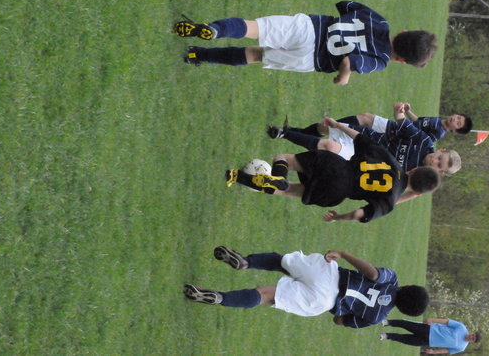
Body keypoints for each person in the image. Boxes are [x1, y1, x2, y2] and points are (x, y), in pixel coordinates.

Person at [226, 117, 441, 223]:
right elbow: (359, 214)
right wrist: (339, 217)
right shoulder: (390, 201)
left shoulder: (392, 161)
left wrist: (337, 125)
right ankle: (237, 177)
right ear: (416, 191)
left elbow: (361, 138)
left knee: (282, 159)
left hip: (335, 165)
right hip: (335, 193)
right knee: (288, 191)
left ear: (414, 170)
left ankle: (277, 177)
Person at [173, 1, 437, 85]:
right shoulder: (380, 61)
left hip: (310, 28)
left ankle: (215, 29)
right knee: (254, 54)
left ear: (404, 31)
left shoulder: (379, 21)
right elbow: (349, 61)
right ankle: (198, 55)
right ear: (402, 61)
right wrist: (343, 77)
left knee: (254, 28)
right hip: (310, 59)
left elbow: (345, 5)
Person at [184, 245, 430, 329]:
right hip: (323, 302)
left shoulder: (392, 279)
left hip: (329, 274)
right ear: (403, 310)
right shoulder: (376, 317)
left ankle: (247, 262)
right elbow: (340, 321)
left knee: (281, 262)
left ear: (409, 286)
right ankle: (219, 297)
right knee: (265, 295)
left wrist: (344, 254)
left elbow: (374, 274)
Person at [268, 104, 462, 174]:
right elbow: (405, 125)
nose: (434, 161)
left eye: (438, 165)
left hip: (360, 160)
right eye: (439, 158)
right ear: (441, 150)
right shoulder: (424, 141)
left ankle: (284, 133)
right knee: (326, 128)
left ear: (440, 172)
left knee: (327, 146)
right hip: (365, 138)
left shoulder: (418, 175)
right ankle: (291, 132)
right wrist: (399, 111)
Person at [379, 317, 481, 353]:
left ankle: (386, 336)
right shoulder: (461, 327)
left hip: (428, 342)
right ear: (473, 333)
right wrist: (432, 320)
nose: (472, 337)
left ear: (473, 342)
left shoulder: (461, 347)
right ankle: (388, 322)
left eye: (473, 339)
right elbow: (446, 322)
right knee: (406, 325)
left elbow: (446, 350)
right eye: (473, 335)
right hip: (429, 329)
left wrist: (433, 352)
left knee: (405, 339)